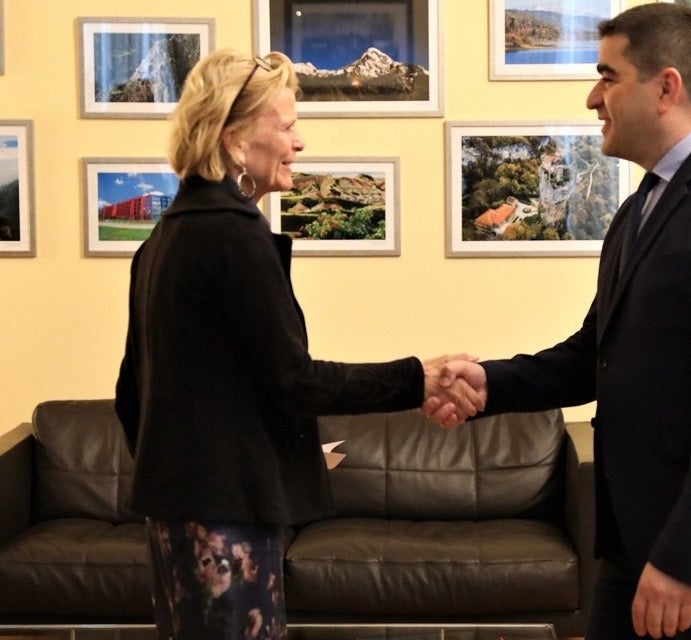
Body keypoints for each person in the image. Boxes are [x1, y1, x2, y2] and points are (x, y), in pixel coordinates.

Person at [423, 5, 691, 639]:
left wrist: (685, 559)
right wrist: (488, 381)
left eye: (607, 77)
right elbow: (598, 352)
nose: (593, 97)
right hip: (641, 537)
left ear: (665, 87)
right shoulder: (643, 204)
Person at [114, 49, 482, 640]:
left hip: (180, 512)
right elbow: (296, 382)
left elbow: (130, 395)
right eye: (286, 126)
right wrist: (418, 376)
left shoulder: (163, 239)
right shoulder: (234, 237)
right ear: (234, 139)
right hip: (228, 519)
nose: (300, 143)